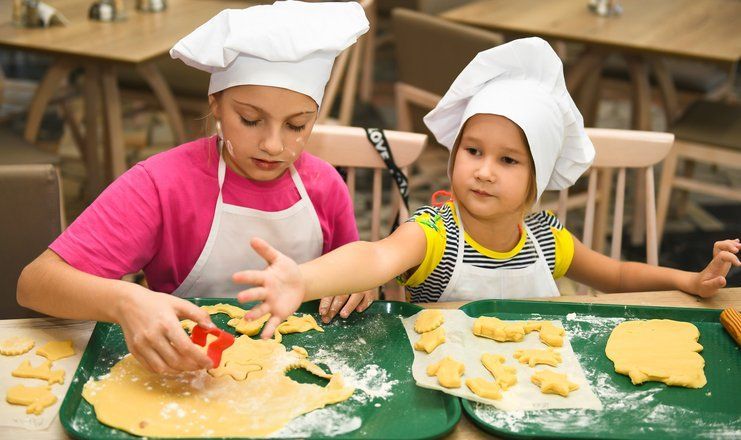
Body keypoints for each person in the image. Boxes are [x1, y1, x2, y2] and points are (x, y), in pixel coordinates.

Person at [232, 37, 741, 339]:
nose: (484, 171)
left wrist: (689, 280)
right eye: (473, 151)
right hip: (443, 383)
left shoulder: (547, 239)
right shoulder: (434, 235)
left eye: (508, 160)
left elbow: (617, 273)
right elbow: (375, 257)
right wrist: (302, 280)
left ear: (538, 178)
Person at [17, 1, 374, 374]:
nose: (272, 144)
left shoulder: (325, 186)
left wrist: (356, 287)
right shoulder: (162, 185)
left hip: (300, 369)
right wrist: (124, 300)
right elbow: (35, 283)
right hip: (187, 371)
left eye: (296, 125)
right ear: (215, 104)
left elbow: (354, 276)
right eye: (250, 119)